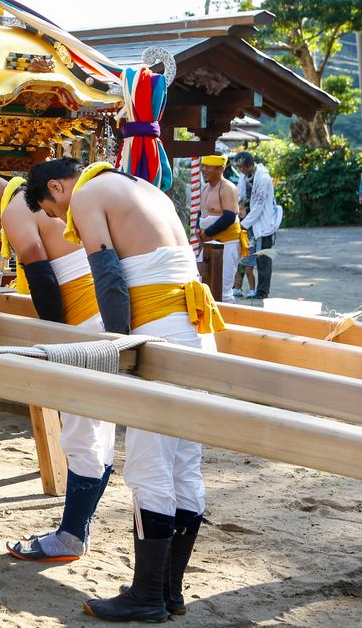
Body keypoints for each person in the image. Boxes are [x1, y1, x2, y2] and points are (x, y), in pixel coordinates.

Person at [27, 157, 224, 622]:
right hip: (197, 330)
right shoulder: (144, 187)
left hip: (160, 333)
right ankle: (167, 589)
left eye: (54, 212)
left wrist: (119, 352)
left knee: (149, 466)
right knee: (182, 463)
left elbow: (108, 276)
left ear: (58, 187)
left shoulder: (91, 195)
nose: (61, 222)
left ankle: (147, 597)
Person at [0, 170, 116, 563]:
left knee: (81, 436)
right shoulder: (37, 200)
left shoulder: (17, 205)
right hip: (106, 320)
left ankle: (70, 537)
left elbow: (41, 275)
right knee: (101, 430)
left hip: (82, 327)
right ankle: (78, 528)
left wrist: (53, 344)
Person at [197, 154, 245, 303]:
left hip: (227, 243)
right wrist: (199, 230)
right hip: (208, 242)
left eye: (208, 166)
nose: (204, 170)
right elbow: (203, 212)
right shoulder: (206, 188)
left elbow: (230, 216)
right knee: (200, 281)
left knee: (223, 289)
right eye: (203, 166)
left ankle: (229, 322)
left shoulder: (228, 188)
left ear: (220, 168)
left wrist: (208, 232)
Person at [232, 150, 281, 298]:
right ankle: (237, 287)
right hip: (248, 222)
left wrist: (243, 224)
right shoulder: (243, 176)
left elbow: (259, 206)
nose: (240, 170)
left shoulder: (264, 178)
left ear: (249, 165)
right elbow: (240, 196)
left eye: (241, 167)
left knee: (263, 258)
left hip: (263, 225)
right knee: (244, 257)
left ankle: (262, 291)